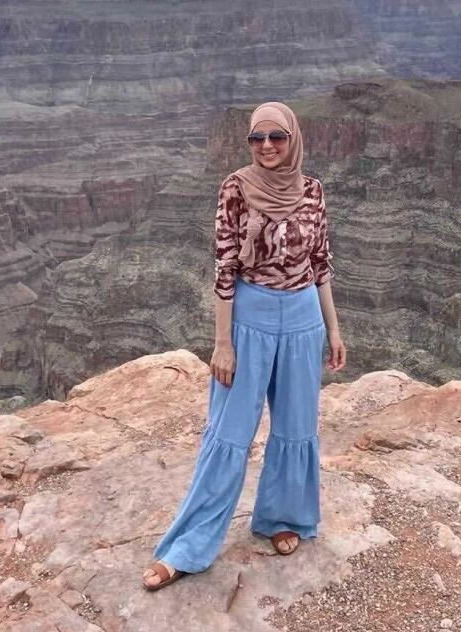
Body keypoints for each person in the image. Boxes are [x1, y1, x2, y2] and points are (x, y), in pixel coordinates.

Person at [142, 101, 346, 591]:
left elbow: (320, 264)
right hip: (249, 317)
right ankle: (188, 547)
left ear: (292, 139)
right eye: (257, 138)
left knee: (297, 428)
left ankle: (285, 519)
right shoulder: (236, 188)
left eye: (277, 137)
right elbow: (225, 267)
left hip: (303, 319)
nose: (267, 146)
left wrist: (334, 329)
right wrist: (223, 343)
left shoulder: (313, 191)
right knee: (229, 434)